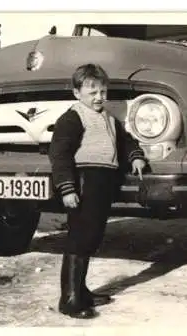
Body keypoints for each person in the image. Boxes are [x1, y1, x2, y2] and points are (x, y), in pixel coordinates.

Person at [48, 63, 147, 319]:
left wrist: (136, 157)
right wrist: (67, 188)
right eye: (92, 92)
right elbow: (59, 154)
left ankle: (81, 291)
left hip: (102, 182)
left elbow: (126, 142)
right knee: (80, 237)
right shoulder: (72, 118)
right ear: (76, 93)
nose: (99, 97)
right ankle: (69, 299)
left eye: (102, 91)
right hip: (83, 181)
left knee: (92, 236)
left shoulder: (109, 119)